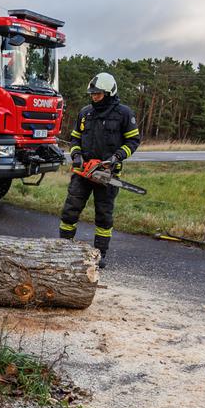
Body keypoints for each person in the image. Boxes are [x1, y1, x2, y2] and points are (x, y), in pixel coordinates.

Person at [59, 72, 141, 268]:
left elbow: (133, 140)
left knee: (103, 215)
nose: (94, 97)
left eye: (98, 94)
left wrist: (116, 157)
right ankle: (62, 248)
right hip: (83, 173)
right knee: (70, 211)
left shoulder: (124, 114)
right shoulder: (85, 113)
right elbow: (75, 138)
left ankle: (99, 254)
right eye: (92, 94)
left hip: (107, 175)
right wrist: (77, 155)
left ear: (109, 92)